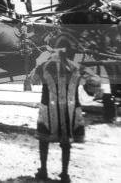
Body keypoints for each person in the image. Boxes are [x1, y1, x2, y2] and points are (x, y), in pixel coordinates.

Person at [30, 38, 97, 183]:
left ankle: (43, 170)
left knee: (44, 140)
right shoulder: (77, 67)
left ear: (54, 50)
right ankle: (65, 174)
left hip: (48, 109)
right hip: (70, 109)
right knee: (66, 143)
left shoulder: (44, 65)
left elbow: (32, 80)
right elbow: (94, 82)